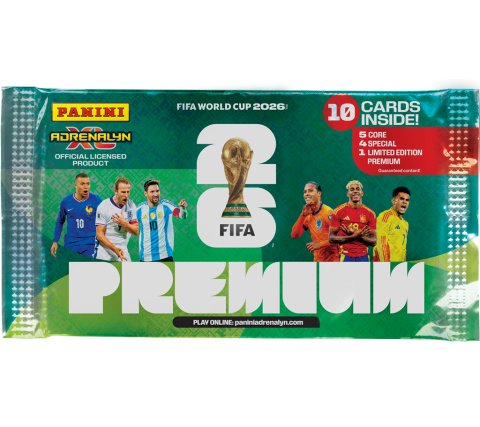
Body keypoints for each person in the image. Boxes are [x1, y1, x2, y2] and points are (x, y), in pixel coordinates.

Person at [51, 173, 102, 258]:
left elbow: (105, 219)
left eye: (88, 184)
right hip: (71, 244)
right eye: (82, 184)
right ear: (75, 185)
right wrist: (55, 241)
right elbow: (60, 221)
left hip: (90, 244)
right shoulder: (66, 201)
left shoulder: (96, 200)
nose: (86, 187)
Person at [136, 179, 188, 262]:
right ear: (145, 193)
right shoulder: (139, 209)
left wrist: (183, 209)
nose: (156, 194)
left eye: (157, 191)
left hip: (165, 255)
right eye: (152, 192)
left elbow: (181, 215)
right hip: (146, 257)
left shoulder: (166, 205)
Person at [329, 180, 377, 262]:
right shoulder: (338, 211)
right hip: (345, 255)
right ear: (347, 193)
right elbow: (331, 238)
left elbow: (374, 241)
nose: (355, 191)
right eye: (352, 189)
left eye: (358, 189)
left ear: (362, 193)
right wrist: (353, 236)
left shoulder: (370, 213)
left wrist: (357, 235)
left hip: (363, 256)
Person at [291, 181, 339, 261]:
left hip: (333, 261)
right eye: (305, 192)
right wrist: (302, 215)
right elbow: (294, 235)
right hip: (317, 260)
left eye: (310, 191)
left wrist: (319, 244)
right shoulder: (307, 214)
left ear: (319, 193)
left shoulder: (328, 212)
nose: (307, 194)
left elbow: (340, 237)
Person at [95, 177, 138, 261]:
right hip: (104, 250)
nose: (126, 195)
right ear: (116, 191)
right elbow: (100, 235)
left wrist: (124, 223)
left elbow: (136, 231)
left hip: (122, 248)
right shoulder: (104, 206)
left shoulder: (131, 205)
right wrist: (114, 249)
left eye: (128, 192)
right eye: (123, 192)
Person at [374, 186, 411, 262]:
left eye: (407, 200)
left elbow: (403, 249)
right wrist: (386, 265)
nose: (405, 202)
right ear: (393, 201)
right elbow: (381, 243)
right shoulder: (385, 216)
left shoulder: (405, 223)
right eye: (401, 199)